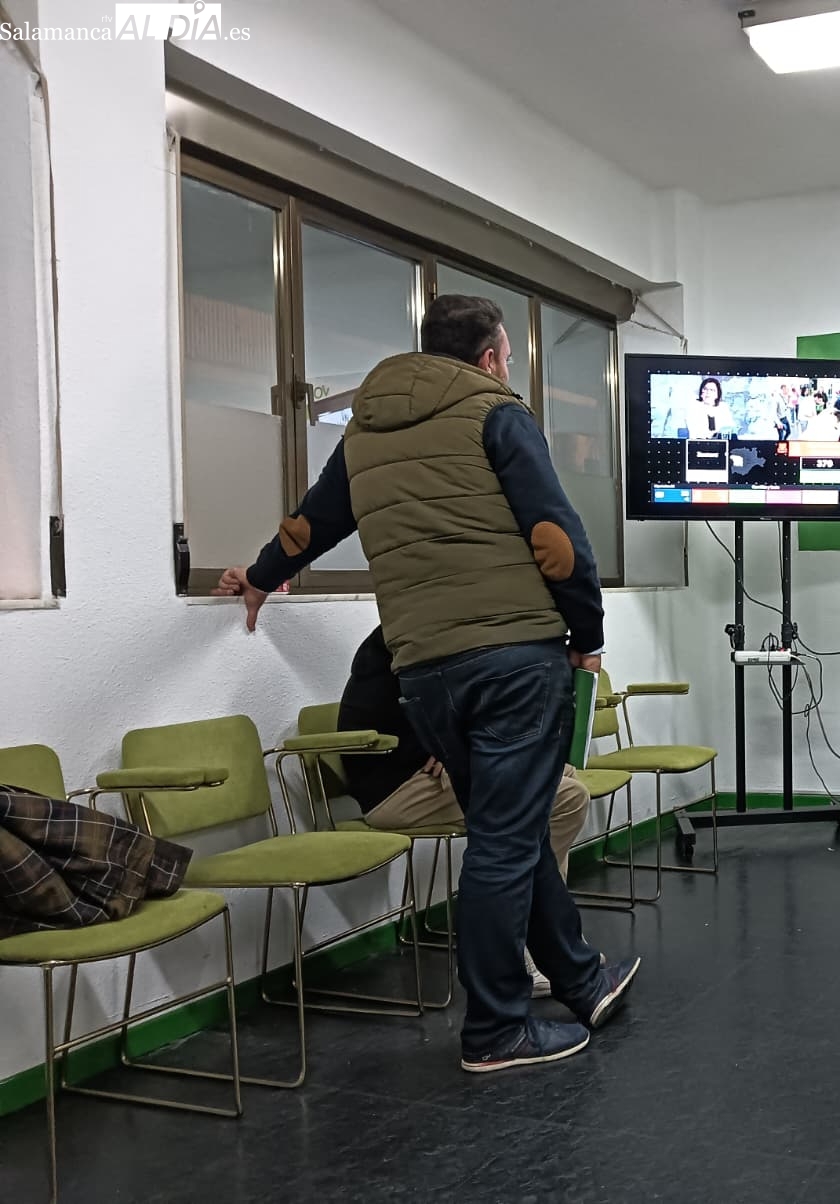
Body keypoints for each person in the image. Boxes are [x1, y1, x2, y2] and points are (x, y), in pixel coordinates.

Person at [213, 293, 640, 1072]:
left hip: (425, 670)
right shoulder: (496, 414)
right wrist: (587, 636)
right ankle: (496, 1028)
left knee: (510, 828)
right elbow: (556, 536)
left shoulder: (368, 432)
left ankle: (582, 978)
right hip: (513, 659)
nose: (507, 368)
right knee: (505, 842)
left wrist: (262, 576)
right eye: (507, 356)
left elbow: (314, 521)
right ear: (490, 357)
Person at [338, 626, 598, 989]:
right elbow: (393, 715)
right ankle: (522, 946)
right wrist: (443, 743)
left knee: (560, 776)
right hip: (399, 788)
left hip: (430, 772)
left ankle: (550, 937)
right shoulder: (409, 639)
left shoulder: (442, 631)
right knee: (563, 799)